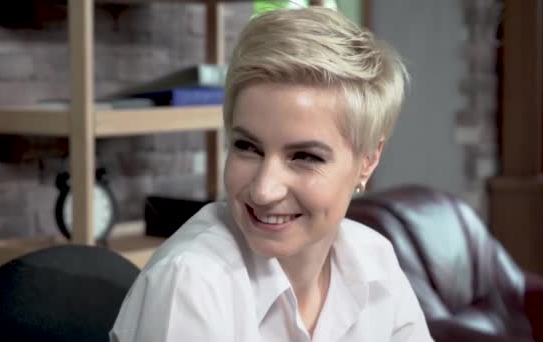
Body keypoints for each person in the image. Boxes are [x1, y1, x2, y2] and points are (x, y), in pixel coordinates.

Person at [111, 6, 432, 342]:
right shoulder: (190, 284)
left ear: (368, 160)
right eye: (247, 147)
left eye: (305, 156)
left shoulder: (374, 261)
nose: (264, 191)